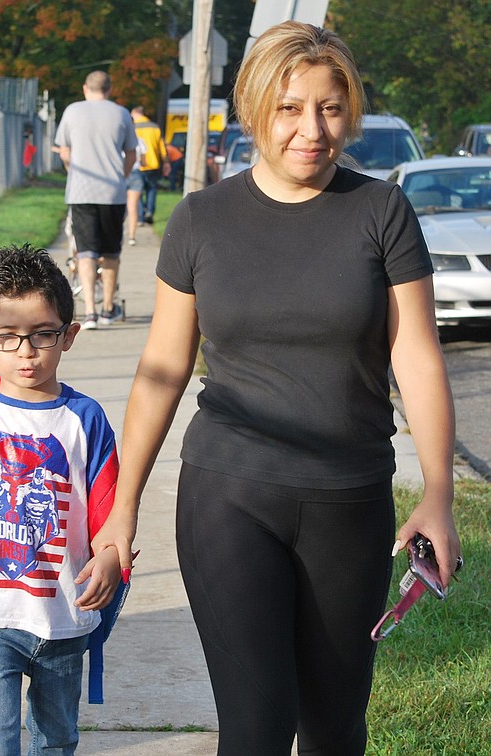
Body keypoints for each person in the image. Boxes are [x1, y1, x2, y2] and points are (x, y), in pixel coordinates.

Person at [93, 22, 462, 756]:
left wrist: (440, 495)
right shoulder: (201, 220)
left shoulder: (380, 211)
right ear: (257, 107)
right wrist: (120, 510)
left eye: (330, 108)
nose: (312, 130)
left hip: (348, 498)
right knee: (256, 729)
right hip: (228, 495)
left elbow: (416, 357)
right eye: (291, 108)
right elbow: (162, 371)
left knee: (332, 731)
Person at [0, 244, 125, 755]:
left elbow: (113, 516)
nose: (25, 351)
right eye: (7, 337)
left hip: (62, 618)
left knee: (57, 740)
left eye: (42, 334)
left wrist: (109, 558)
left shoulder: (86, 420)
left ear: (69, 335)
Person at [55, 71, 137, 330]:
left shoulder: (71, 112)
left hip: (81, 192)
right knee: (111, 251)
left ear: (84, 88)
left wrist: (74, 172)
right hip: (112, 194)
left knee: (86, 252)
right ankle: (108, 309)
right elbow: (131, 154)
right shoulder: (121, 113)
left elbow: (65, 151)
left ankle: (89, 311)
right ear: (109, 89)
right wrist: (119, 178)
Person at [130, 106, 170, 224]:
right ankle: (150, 212)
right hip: (153, 164)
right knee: (151, 189)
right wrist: (166, 161)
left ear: (135, 113)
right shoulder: (154, 127)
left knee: (137, 191)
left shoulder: (132, 128)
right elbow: (162, 147)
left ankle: (141, 216)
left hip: (137, 165)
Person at [126, 135, 147, 246]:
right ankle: (131, 237)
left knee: (117, 206)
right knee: (133, 207)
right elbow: (144, 162)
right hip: (135, 174)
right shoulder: (140, 141)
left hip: (119, 174)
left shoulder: (118, 138)